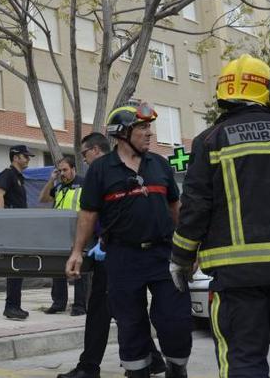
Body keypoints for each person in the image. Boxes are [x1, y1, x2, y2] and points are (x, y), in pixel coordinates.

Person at [170, 54, 270, 377]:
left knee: (243, 361)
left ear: (223, 94)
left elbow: (196, 206)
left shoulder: (210, 140)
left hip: (237, 278)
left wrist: (181, 258)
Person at [66, 103, 192, 378]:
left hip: (163, 254)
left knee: (176, 319)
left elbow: (175, 208)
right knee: (130, 323)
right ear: (122, 133)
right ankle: (137, 372)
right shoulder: (101, 170)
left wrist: (189, 247)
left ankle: (177, 366)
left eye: (149, 127)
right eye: (143, 127)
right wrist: (77, 252)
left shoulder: (159, 164)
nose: (150, 133)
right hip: (122, 258)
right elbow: (88, 214)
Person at [58, 132, 165, 378]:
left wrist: (93, 246)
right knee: (124, 308)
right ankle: (152, 358)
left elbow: (95, 214)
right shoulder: (124, 170)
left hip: (114, 253)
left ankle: (89, 367)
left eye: (85, 155)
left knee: (101, 309)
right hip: (119, 252)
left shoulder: (105, 173)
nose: (84, 161)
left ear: (96, 150)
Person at [39, 156, 88, 316]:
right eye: (59, 170)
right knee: (57, 269)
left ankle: (80, 305)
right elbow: (43, 199)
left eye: (65, 170)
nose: (62, 173)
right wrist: (51, 180)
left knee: (79, 270)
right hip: (59, 233)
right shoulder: (59, 187)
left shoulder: (84, 183)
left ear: (73, 169)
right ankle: (59, 303)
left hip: (77, 232)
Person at [0, 144, 34, 320]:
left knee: (19, 266)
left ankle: (14, 305)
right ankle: (11, 306)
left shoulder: (19, 177)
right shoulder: (8, 174)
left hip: (20, 227)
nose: (28, 159)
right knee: (14, 265)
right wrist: (3, 220)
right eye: (25, 156)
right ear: (16, 157)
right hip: (13, 227)